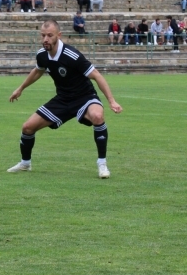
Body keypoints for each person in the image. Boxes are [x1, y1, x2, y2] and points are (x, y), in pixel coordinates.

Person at [7, 20, 122, 177]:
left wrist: (111, 100)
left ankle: (102, 164)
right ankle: (25, 163)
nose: (45, 39)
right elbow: (38, 71)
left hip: (85, 97)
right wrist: (20, 88)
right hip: (63, 99)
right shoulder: (42, 55)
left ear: (58, 36)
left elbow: (96, 75)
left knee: (97, 116)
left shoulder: (72, 55)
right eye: (42, 36)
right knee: (27, 127)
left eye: (49, 35)